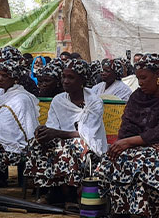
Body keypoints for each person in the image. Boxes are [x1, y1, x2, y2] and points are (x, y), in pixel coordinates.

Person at [97, 49, 159, 218]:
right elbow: (127, 126)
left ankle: (147, 211)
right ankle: (119, 208)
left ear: (158, 76)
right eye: (138, 78)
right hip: (137, 146)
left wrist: (131, 142)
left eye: (144, 78)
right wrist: (129, 142)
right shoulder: (136, 97)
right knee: (114, 156)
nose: (140, 83)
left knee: (146, 160)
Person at [24, 59, 107, 206]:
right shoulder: (58, 100)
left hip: (90, 145)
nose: (66, 81)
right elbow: (52, 125)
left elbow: (87, 134)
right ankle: (51, 189)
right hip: (62, 140)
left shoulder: (94, 102)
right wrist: (43, 132)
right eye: (64, 77)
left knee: (74, 145)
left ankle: (70, 194)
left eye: (71, 77)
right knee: (36, 143)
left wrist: (56, 134)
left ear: (82, 80)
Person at [0, 55, 40, 187]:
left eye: (5, 76)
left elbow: (27, 130)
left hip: (15, 147)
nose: (0, 79)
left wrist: (1, 140)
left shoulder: (22, 99)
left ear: (15, 79)